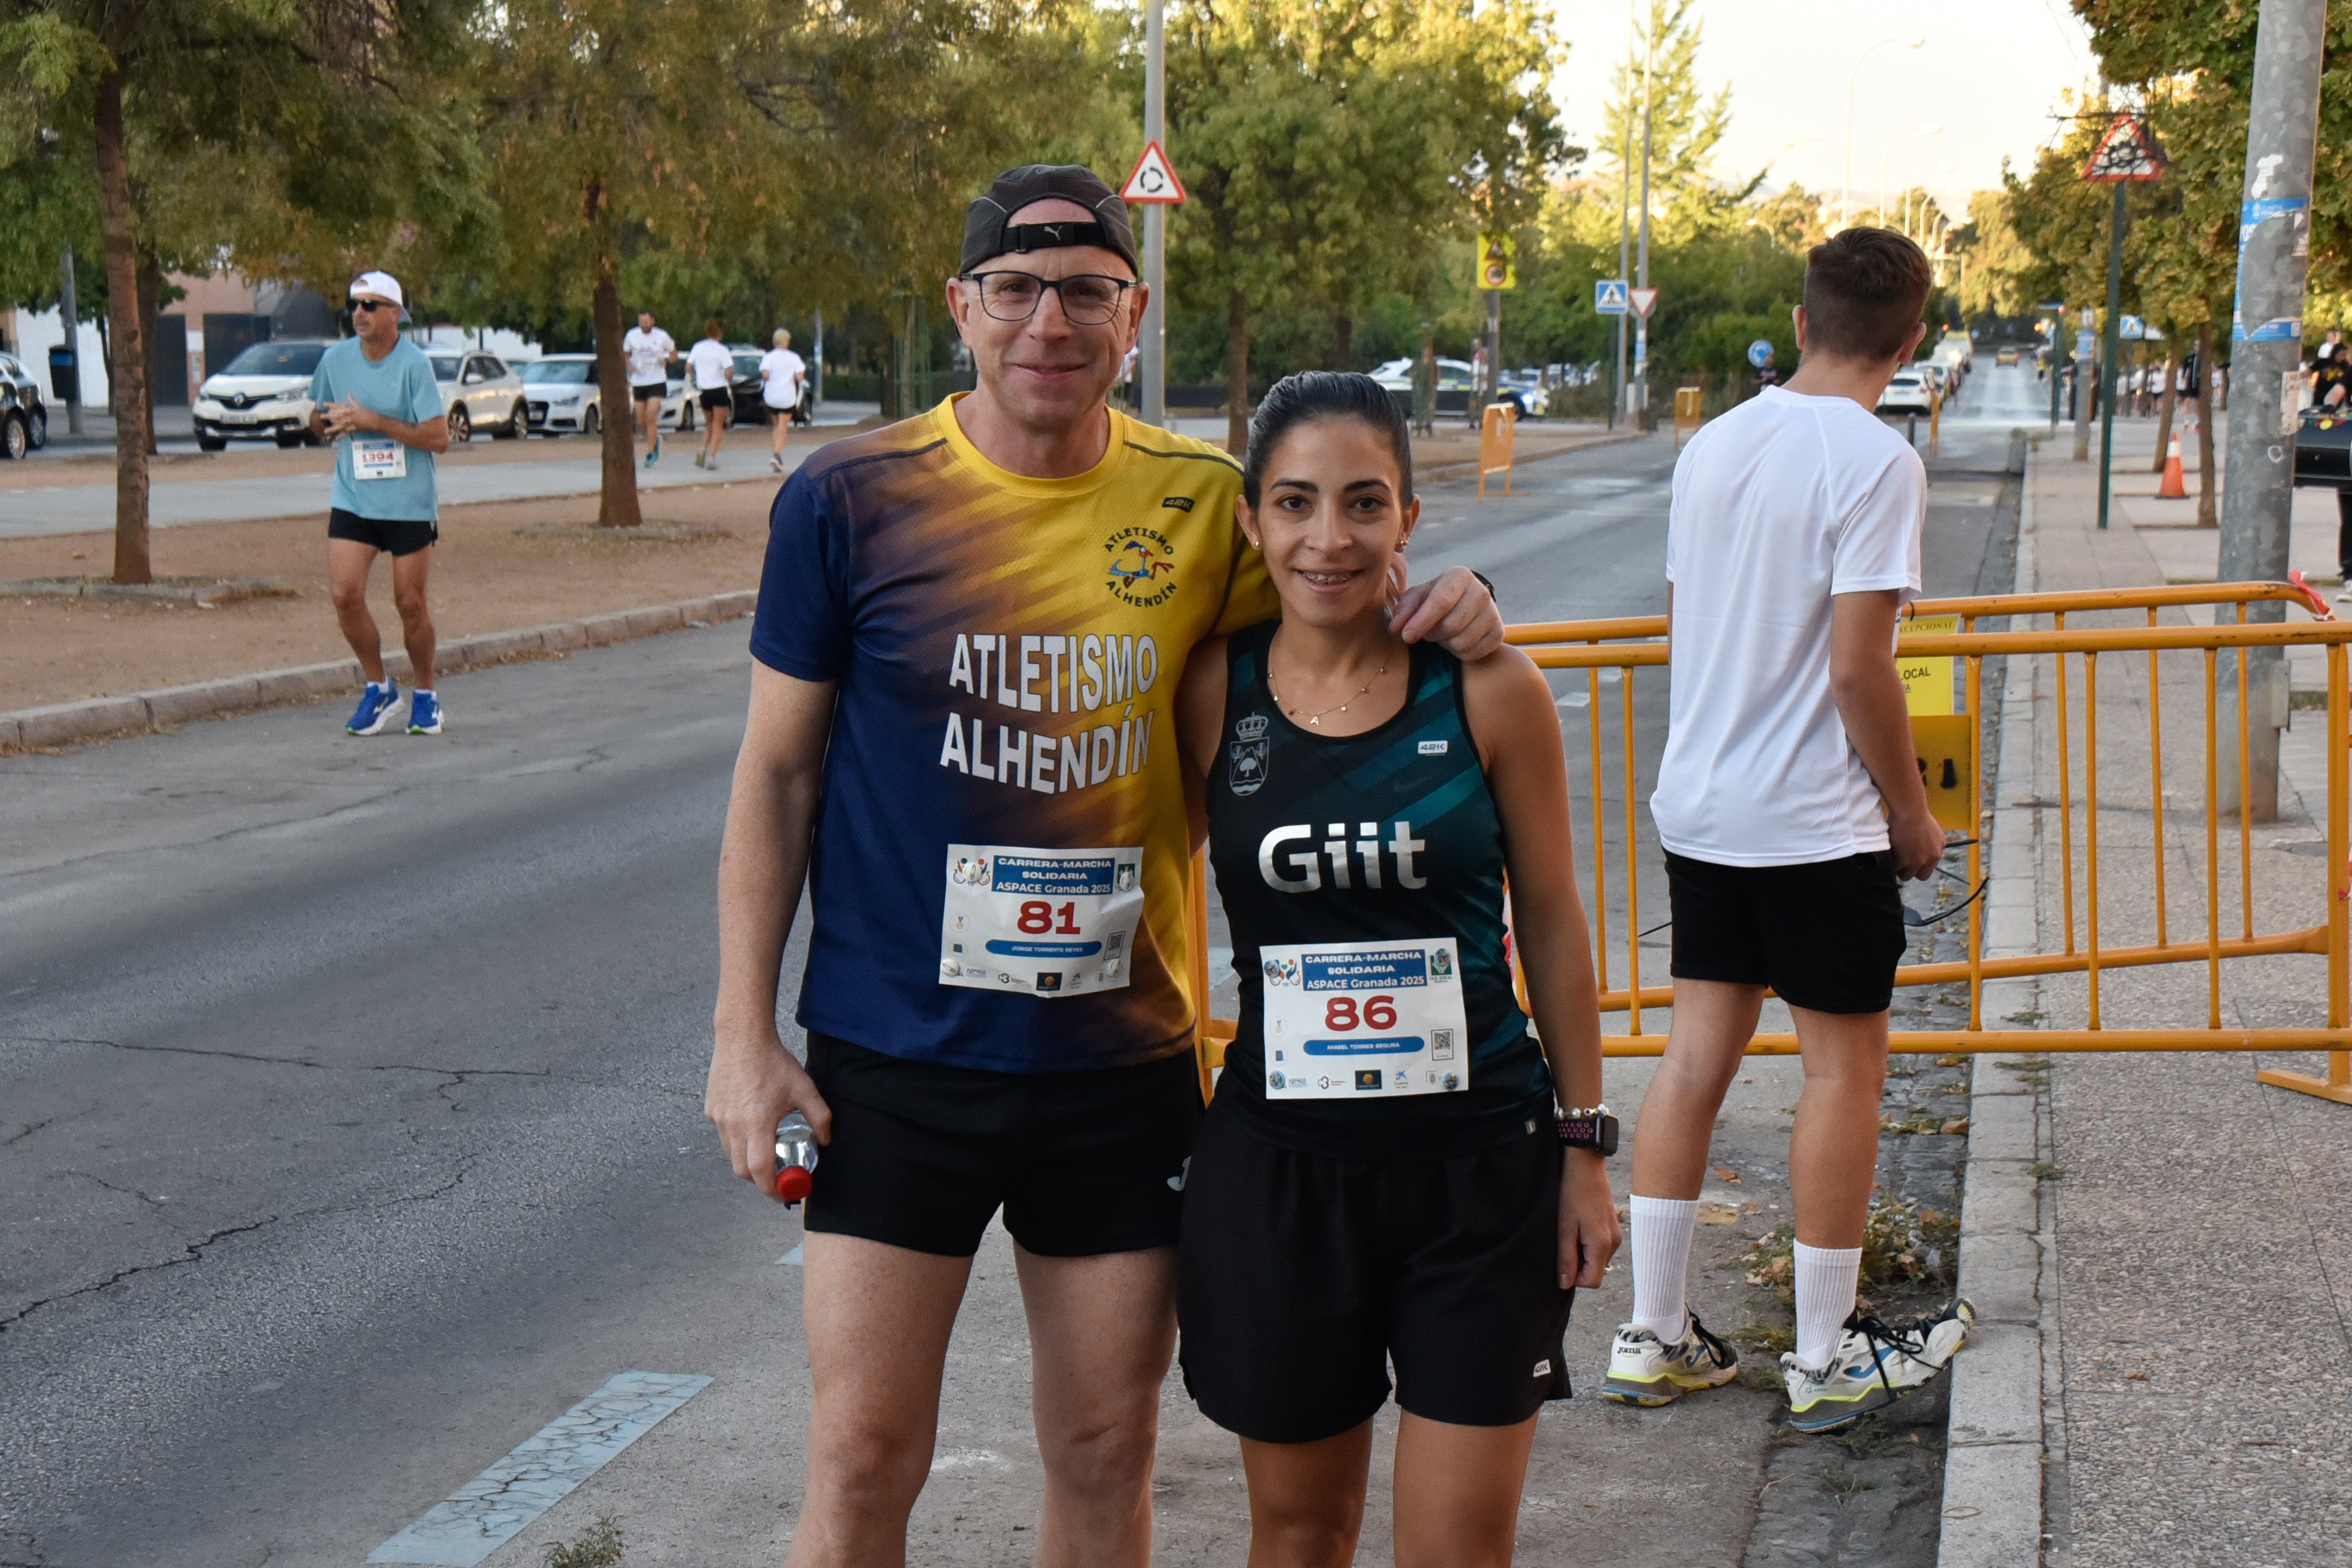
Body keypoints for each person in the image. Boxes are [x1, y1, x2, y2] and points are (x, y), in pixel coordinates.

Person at [702, 163, 1505, 1568]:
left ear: (1132, 315)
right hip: (897, 1057)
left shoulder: (1207, 507)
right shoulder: (849, 497)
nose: (1048, 323)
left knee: (1101, 1449)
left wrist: (1459, 616)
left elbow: (1343, 625)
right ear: (963, 306)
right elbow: (775, 772)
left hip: (1119, 1066)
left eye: (1086, 291)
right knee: (862, 1453)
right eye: (1015, 290)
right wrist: (739, 1036)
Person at [1171, 371, 1619, 1568]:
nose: (1330, 538)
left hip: (1481, 1175)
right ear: (1255, 521)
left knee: (1457, 1547)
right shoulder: (1214, 689)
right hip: (1284, 1180)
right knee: (1301, 1534)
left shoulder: (1486, 687)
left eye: (1365, 503)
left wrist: (1584, 1149)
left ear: (1410, 518)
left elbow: (1559, 924)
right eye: (1297, 503)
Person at [1604, 227, 1971, 1433]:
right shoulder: (1878, 462)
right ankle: (1825, 1349)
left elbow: (1688, 620)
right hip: (1815, 819)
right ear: (1909, 341)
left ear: (1803, 321)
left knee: (1696, 1054)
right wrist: (1910, 814)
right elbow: (1862, 668)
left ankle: (1655, 1334)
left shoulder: (1715, 444)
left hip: (1702, 802)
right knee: (1841, 1072)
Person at [307, 270, 452, 737]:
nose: (360, 313)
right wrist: (327, 420)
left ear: (395, 314)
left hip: (408, 501)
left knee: (409, 602)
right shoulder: (335, 359)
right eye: (355, 305)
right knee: (344, 595)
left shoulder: (414, 366)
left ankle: (426, 695)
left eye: (371, 305)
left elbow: (438, 437)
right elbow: (314, 416)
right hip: (354, 497)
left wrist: (374, 421)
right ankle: (379, 686)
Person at [623, 309, 676, 467]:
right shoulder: (632, 335)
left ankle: (651, 452)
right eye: (641, 322)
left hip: (657, 380)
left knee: (650, 416)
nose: (644, 325)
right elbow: (625, 353)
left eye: (647, 322)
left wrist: (666, 361)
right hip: (639, 381)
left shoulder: (662, 336)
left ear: (652, 321)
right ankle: (656, 439)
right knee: (641, 420)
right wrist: (629, 364)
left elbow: (674, 354)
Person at [687, 318, 733, 471]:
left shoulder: (698, 347)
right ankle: (712, 457)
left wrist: (699, 374)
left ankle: (702, 451)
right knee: (718, 425)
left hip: (704, 390)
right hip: (719, 389)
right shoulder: (722, 350)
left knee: (709, 424)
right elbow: (729, 372)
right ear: (719, 333)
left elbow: (688, 367)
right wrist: (728, 379)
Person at [760, 327, 806, 474]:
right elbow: (800, 377)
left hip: (771, 397)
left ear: (774, 342)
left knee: (776, 426)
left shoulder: (769, 357)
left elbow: (765, 375)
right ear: (787, 342)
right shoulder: (794, 358)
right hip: (787, 397)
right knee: (783, 427)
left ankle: (776, 454)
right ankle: (777, 455)